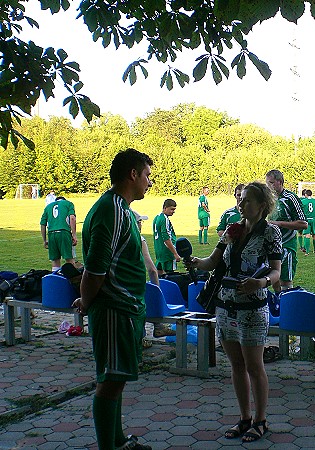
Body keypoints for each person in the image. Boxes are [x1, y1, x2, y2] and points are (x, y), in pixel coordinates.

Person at [184, 182, 282, 443]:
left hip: (252, 308)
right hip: (225, 306)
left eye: (248, 200)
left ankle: (261, 421)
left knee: (254, 365)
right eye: (240, 199)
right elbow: (213, 262)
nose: (241, 204)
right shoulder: (232, 231)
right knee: (236, 366)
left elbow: (276, 272)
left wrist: (260, 283)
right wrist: (195, 262)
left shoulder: (270, 233)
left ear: (262, 205)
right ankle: (244, 418)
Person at [72, 148, 153, 450]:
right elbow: (95, 269)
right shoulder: (112, 210)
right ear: (132, 174)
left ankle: (118, 441)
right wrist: (87, 300)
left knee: (116, 379)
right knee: (109, 382)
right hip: (114, 310)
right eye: (146, 175)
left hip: (126, 309)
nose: (149, 181)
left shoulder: (122, 209)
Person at [133, 210, 174, 340]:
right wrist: (157, 289)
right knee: (150, 293)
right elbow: (151, 269)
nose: (141, 225)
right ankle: (158, 327)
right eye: (140, 222)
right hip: (135, 287)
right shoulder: (139, 239)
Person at [265, 169, 307, 292]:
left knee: (286, 280)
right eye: (267, 183)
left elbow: (303, 224)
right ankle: (278, 303)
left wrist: (278, 224)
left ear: (280, 182)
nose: (269, 186)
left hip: (287, 244)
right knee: (273, 278)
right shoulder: (269, 198)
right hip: (273, 244)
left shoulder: (290, 198)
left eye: (271, 183)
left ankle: (286, 305)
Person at [40, 195, 77, 272]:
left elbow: (43, 224)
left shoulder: (48, 207)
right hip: (64, 233)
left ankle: (56, 281)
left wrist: (44, 240)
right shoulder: (68, 204)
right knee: (70, 259)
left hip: (51, 234)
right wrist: (74, 235)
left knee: (55, 261)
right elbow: (72, 218)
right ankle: (71, 281)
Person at [152, 199, 180, 276]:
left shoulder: (157, 217)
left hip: (159, 250)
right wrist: (175, 253)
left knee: (160, 273)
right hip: (167, 252)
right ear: (165, 208)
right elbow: (166, 239)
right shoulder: (165, 219)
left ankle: (159, 286)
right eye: (171, 209)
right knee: (171, 275)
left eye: (174, 209)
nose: (173, 211)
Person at [301, 189, 315, 255]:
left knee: (307, 235)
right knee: (314, 234)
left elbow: (301, 211)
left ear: (306, 194)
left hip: (307, 220)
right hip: (314, 219)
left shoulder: (303, 201)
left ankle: (307, 251)